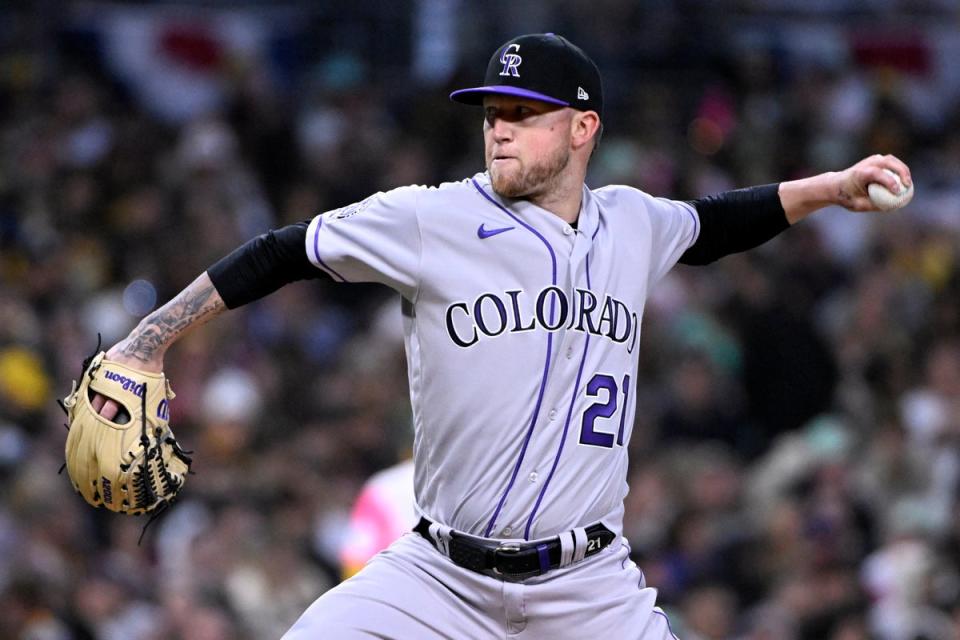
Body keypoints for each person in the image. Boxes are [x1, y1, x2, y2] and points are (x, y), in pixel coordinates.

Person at [88, 33, 912, 639]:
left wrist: (832, 187)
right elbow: (281, 252)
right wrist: (148, 341)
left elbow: (720, 223)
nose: (500, 129)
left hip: (588, 588)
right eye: (493, 114)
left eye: (525, 114)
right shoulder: (430, 217)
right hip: (439, 574)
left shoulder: (632, 221)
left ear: (583, 129)